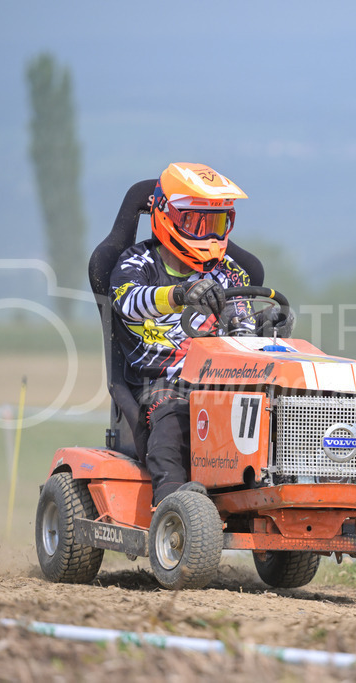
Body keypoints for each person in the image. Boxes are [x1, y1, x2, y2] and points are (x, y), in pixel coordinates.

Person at [109, 162, 251, 505]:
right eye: (197, 223)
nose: (209, 236)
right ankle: (172, 504)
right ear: (167, 217)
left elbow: (242, 328)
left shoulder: (229, 273)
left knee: (272, 406)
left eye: (217, 224)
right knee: (172, 416)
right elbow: (127, 301)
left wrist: (263, 332)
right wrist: (179, 295)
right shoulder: (137, 263)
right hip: (158, 381)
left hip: (218, 377)